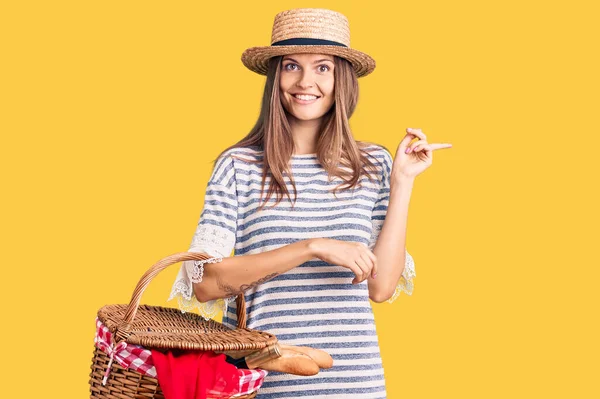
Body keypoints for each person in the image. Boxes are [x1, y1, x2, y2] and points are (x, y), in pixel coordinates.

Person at [168, 7, 452, 398]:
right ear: (275, 77)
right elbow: (205, 283)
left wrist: (402, 181)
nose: (305, 81)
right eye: (290, 66)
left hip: (355, 383)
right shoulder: (238, 165)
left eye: (322, 68)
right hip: (257, 384)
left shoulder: (373, 165)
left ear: (342, 80)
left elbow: (382, 286)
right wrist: (311, 248)